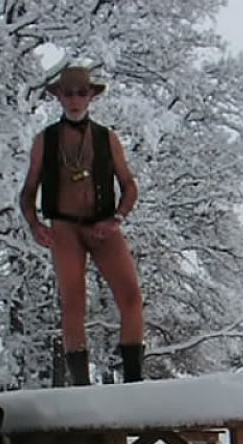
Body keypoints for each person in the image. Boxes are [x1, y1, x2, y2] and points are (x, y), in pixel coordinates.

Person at [19, 66, 145, 386]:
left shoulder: (107, 138)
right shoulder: (45, 140)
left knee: (131, 297)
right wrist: (35, 224)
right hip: (65, 227)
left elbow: (129, 184)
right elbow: (28, 191)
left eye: (81, 93)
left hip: (103, 225)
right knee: (73, 302)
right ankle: (81, 386)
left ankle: (133, 381)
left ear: (91, 96)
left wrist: (117, 218)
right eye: (68, 93)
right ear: (59, 97)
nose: (75, 99)